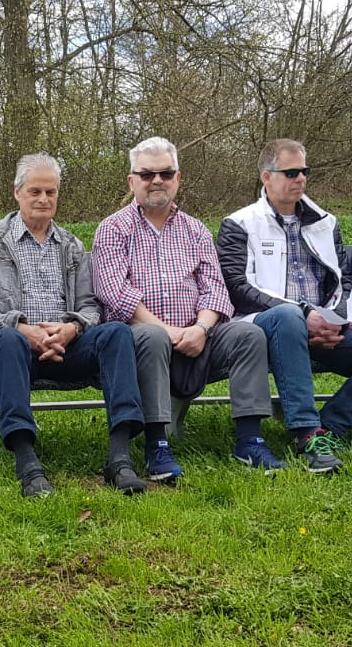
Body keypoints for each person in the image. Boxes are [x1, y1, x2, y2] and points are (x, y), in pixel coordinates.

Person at [216, 140, 352, 473]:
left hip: (323, 327)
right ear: (266, 177)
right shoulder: (240, 223)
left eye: (304, 171)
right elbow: (238, 287)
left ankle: (330, 425)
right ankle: (307, 433)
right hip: (264, 328)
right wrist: (304, 313)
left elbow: (345, 278)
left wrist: (335, 318)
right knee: (288, 316)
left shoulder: (326, 222)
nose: (300, 179)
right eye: (291, 172)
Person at [92, 136, 284, 481]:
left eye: (166, 173)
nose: (157, 181)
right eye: (147, 174)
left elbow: (215, 288)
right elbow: (115, 293)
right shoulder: (113, 229)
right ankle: (157, 445)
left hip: (199, 333)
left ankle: (249, 440)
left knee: (248, 335)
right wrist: (168, 331)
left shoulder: (195, 230)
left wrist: (201, 328)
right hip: (143, 336)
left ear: (178, 178)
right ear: (132, 181)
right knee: (152, 336)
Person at [0, 153, 147, 498]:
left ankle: (120, 459)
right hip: (12, 348)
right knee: (8, 341)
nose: (43, 199)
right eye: (35, 191)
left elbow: (90, 306)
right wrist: (23, 329)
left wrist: (72, 329)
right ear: (17, 192)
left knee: (117, 333)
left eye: (50, 192)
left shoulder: (72, 245)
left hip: (66, 347)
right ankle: (27, 463)